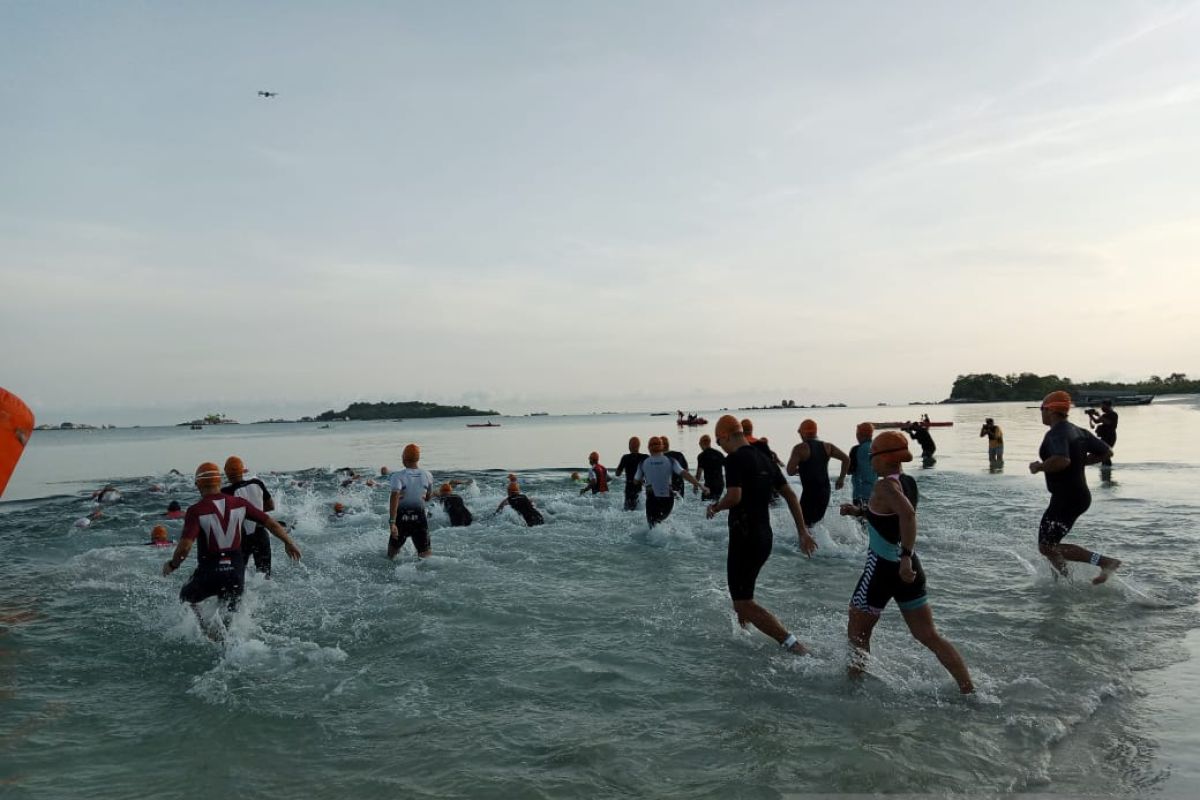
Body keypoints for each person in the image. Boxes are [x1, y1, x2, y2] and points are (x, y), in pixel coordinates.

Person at [838, 431, 974, 693]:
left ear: (882, 457)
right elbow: (891, 514)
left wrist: (904, 558)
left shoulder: (884, 486)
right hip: (910, 569)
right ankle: (968, 690)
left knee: (858, 630)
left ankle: (852, 689)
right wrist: (860, 511)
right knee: (928, 635)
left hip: (883, 568)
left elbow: (907, 515)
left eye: (871, 456)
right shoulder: (907, 481)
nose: (870, 461)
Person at [706, 416, 816, 654]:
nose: (720, 446)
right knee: (743, 595)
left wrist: (715, 507)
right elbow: (790, 496)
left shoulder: (734, 459)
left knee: (743, 601)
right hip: (763, 537)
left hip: (744, 537)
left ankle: (793, 645)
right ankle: (744, 639)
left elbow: (735, 497)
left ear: (725, 436)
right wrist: (802, 532)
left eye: (718, 441)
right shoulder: (765, 459)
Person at [162, 463, 301, 638]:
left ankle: (205, 631)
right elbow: (271, 523)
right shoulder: (239, 504)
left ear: (197, 484)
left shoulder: (196, 510)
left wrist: (173, 564)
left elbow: (185, 546)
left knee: (186, 598)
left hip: (210, 572)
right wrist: (289, 542)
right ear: (220, 482)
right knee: (231, 620)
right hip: (236, 572)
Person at [1029, 391, 1121, 583]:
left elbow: (1061, 460)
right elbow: (1107, 452)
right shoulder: (1079, 431)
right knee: (1051, 545)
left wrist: (1039, 467)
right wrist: (1081, 462)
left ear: (1051, 410)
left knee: (1046, 547)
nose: (1041, 413)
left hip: (1067, 497)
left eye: (1042, 409)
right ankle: (1065, 583)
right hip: (1078, 496)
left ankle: (1104, 562)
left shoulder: (1056, 433)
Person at [785, 419, 849, 526]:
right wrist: (841, 479)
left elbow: (790, 471)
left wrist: (802, 469)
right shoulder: (827, 446)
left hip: (810, 494)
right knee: (816, 524)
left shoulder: (799, 448)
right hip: (825, 492)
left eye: (799, 431)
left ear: (803, 432)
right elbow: (846, 459)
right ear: (815, 431)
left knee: (804, 525)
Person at [220, 456, 275, 577]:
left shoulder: (225, 492)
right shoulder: (257, 483)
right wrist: (255, 512)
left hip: (241, 538)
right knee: (265, 576)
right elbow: (271, 506)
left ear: (226, 472)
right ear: (242, 470)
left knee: (237, 577)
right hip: (261, 534)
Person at [634, 437, 702, 527]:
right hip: (668, 500)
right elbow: (684, 473)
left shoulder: (643, 463)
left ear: (649, 448)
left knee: (653, 526)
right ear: (662, 447)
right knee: (660, 523)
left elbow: (635, 480)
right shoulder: (670, 460)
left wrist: (644, 481)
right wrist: (700, 485)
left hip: (652, 500)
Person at [388, 444, 434, 559]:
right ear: (418, 458)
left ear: (403, 458)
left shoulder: (397, 476)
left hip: (402, 519)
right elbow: (428, 497)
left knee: (391, 558)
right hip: (419, 519)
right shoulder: (428, 475)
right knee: (426, 559)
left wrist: (392, 522)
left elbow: (394, 496)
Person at [846, 423, 877, 510]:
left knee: (861, 519)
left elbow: (849, 471)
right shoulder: (877, 447)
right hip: (876, 492)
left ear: (859, 435)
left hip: (860, 494)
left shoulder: (856, 450)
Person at [613, 437, 648, 511]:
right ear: (639, 446)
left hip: (629, 488)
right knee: (640, 509)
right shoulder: (645, 457)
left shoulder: (625, 458)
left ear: (629, 446)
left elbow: (617, 473)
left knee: (628, 510)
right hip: (640, 487)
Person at [1086, 400, 1118, 471]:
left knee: (1105, 453)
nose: (1102, 408)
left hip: (1110, 437)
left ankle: (1107, 470)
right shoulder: (1104, 415)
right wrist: (1091, 415)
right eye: (1101, 406)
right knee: (1103, 454)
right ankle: (1106, 470)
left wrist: (1098, 415)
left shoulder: (1113, 414)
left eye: (1103, 406)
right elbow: (1096, 421)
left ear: (1108, 406)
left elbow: (1108, 422)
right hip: (1104, 437)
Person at [695, 434, 726, 501]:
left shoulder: (701, 456)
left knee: (705, 504)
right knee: (715, 503)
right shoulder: (719, 454)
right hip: (720, 485)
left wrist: (695, 485)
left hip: (709, 485)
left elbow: (699, 473)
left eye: (699, 443)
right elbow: (728, 467)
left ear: (702, 443)